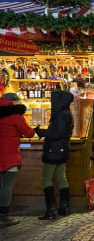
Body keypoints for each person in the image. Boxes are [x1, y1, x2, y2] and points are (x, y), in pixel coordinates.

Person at [35, 91, 74, 220]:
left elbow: (56, 133)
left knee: (46, 178)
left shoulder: (60, 114)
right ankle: (64, 207)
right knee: (61, 177)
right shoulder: (67, 113)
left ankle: (51, 209)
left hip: (53, 151)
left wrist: (41, 132)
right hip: (62, 150)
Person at [0, 95, 35, 227]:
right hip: (9, 157)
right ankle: (4, 217)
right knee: (6, 186)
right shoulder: (14, 115)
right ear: (13, 102)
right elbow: (29, 133)